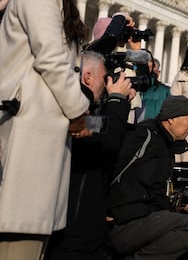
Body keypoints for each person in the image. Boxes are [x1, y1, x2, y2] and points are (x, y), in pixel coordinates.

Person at [0, 0, 91, 260]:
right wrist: (79, 111)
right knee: (19, 240)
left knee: (30, 239)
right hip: (29, 126)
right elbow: (51, 59)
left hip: (40, 126)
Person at [46, 52, 133, 260]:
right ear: (87, 77)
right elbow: (109, 138)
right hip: (73, 228)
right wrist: (117, 100)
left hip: (77, 224)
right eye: (104, 78)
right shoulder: (74, 105)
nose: (107, 85)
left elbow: (103, 127)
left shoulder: (86, 106)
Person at [106, 95, 188, 260]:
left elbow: (154, 191)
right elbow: (112, 169)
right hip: (123, 224)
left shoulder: (166, 144)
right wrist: (107, 209)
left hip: (146, 220)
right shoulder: (144, 136)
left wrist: (179, 206)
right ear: (171, 119)